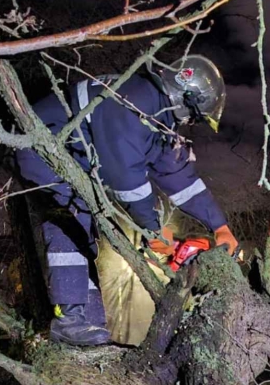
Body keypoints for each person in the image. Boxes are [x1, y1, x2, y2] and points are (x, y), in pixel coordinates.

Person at [13, 55, 239, 346]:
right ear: (185, 97)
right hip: (43, 151)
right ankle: (69, 320)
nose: (189, 122)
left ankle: (89, 324)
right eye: (193, 115)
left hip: (73, 158)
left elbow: (177, 175)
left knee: (85, 234)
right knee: (71, 221)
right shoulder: (132, 102)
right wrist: (152, 230)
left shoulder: (156, 116)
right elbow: (126, 179)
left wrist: (219, 225)